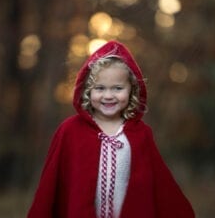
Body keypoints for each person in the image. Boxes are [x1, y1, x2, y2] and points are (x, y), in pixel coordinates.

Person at [27, 40, 195, 218]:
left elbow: (160, 186)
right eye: (100, 88)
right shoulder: (70, 131)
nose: (108, 96)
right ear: (87, 91)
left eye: (117, 88)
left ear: (131, 90)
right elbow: (51, 187)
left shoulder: (141, 134)